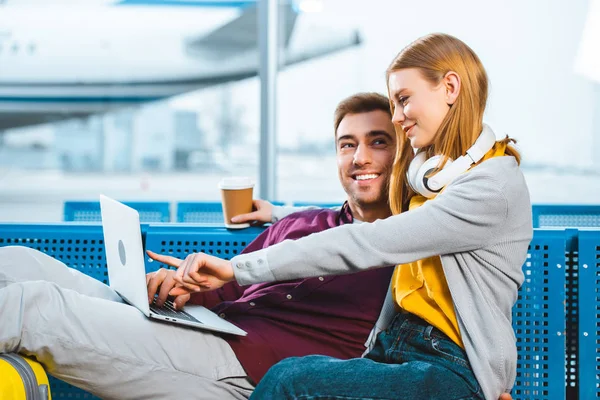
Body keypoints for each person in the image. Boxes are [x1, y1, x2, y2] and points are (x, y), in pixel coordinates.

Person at [163, 33, 532, 400]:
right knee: (294, 374)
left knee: (292, 380)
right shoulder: (439, 179)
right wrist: (282, 214)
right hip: (395, 349)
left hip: (451, 369)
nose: (398, 117)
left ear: (450, 87)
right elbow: (367, 216)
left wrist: (237, 268)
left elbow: (373, 238)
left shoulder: (490, 187)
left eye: (404, 100)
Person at [0, 92, 397, 399]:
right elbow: (226, 285)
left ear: (405, 153)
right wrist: (178, 287)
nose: (360, 157)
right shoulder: (301, 222)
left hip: (244, 370)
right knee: (20, 263)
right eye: (347, 144)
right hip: (204, 329)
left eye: (378, 142)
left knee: (32, 306)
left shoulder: (407, 245)